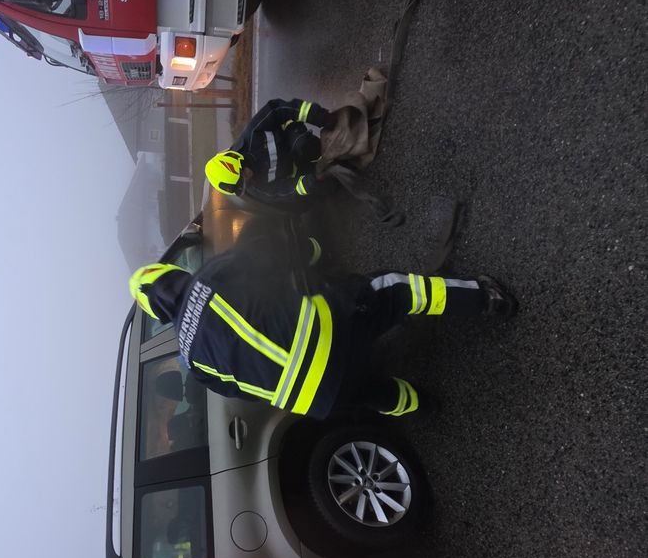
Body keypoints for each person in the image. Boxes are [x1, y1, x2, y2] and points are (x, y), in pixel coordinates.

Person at [127, 230, 517, 420]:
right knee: (394, 290)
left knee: (368, 392)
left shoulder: (192, 361)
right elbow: (274, 259)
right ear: (171, 273)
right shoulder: (210, 274)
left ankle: (423, 406)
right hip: (328, 333)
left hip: (313, 398)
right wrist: (313, 250)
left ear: (159, 312)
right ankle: (484, 297)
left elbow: (238, 390)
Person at [205, 97, 401, 223]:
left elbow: (278, 109)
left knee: (305, 144)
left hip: (293, 143)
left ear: (236, 160)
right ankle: (329, 171)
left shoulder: (253, 135)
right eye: (243, 182)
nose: (248, 177)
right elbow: (286, 191)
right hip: (298, 175)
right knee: (329, 187)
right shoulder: (255, 188)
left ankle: (328, 153)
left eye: (243, 173)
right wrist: (311, 182)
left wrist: (321, 117)